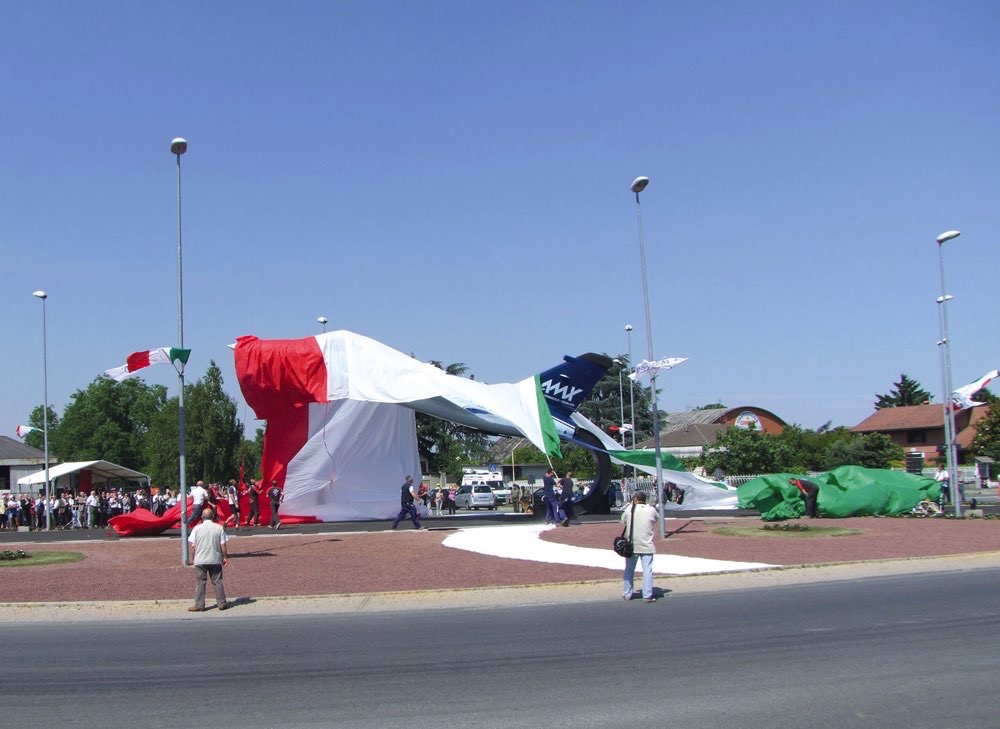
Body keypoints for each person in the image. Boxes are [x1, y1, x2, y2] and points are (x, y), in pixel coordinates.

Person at [186, 507, 229, 612]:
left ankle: (199, 605)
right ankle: (221, 603)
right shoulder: (219, 528)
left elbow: (193, 546)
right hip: (215, 558)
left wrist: (193, 559)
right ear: (213, 517)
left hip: (200, 559)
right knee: (217, 581)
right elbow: (223, 544)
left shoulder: (196, 529)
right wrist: (225, 557)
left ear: (202, 517)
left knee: (200, 582)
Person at [620, 490, 658, 602]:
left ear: (635, 499)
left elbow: (623, 520)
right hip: (647, 544)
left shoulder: (629, 509)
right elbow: (655, 519)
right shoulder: (651, 510)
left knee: (629, 570)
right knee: (647, 570)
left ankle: (627, 593)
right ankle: (647, 595)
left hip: (632, 545)